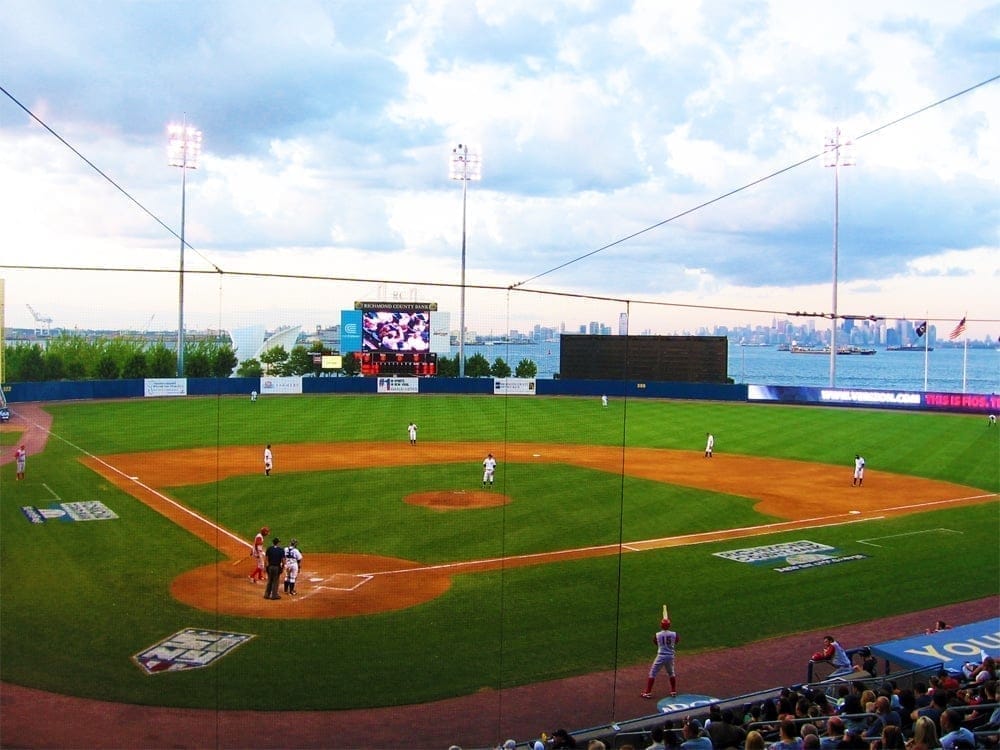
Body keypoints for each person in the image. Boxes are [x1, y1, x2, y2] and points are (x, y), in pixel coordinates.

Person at [643, 616, 679, 699]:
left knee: (653, 673)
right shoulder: (674, 634)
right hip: (670, 656)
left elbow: (655, 642)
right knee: (671, 673)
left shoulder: (658, 634)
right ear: (669, 625)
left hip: (661, 656)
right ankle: (673, 691)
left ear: (661, 625)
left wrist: (662, 645)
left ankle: (648, 692)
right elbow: (677, 641)